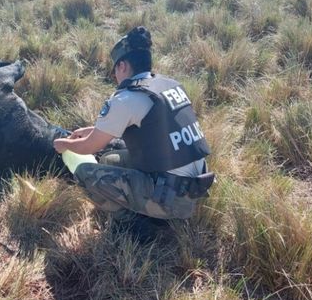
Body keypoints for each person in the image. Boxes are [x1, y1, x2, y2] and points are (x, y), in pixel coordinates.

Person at [53, 26, 214, 220]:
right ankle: (148, 207)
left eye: (115, 72)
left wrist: (62, 144)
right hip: (195, 187)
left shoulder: (127, 97)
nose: (116, 78)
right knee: (109, 160)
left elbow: (90, 146)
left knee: (84, 173)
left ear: (122, 66)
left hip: (171, 200)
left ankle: (134, 223)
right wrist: (91, 130)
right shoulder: (168, 85)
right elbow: (153, 128)